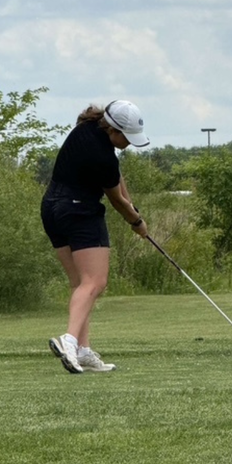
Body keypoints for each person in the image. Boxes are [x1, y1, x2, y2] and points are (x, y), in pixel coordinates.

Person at [41, 100, 150, 373]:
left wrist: (132, 206)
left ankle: (83, 351)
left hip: (52, 208)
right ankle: (69, 340)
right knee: (95, 282)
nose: (128, 143)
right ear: (113, 130)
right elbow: (116, 201)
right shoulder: (102, 156)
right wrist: (137, 222)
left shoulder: (86, 129)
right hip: (81, 211)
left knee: (80, 283)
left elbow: (116, 177)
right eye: (126, 137)